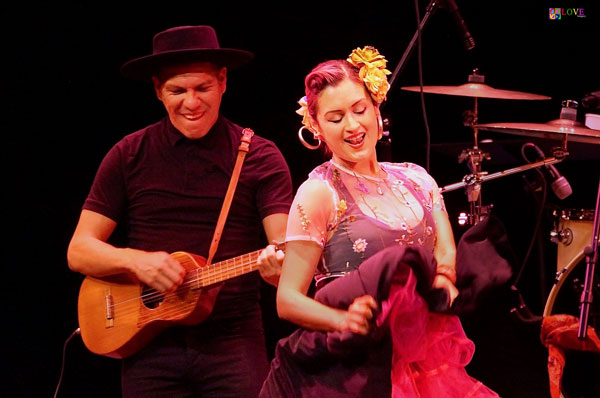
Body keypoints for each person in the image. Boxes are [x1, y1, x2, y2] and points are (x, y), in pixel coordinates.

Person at [259, 46, 500, 397]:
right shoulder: (319, 192)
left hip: (422, 354)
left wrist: (445, 281)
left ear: (376, 109)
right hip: (351, 364)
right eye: (336, 117)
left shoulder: (416, 179)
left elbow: (445, 250)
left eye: (360, 110)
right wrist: (343, 320)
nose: (353, 126)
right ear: (316, 127)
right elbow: (288, 300)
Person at [67, 25, 293, 398]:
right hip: (148, 342)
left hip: (232, 340)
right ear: (157, 89)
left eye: (202, 88)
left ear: (223, 81)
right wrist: (139, 263)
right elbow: (79, 251)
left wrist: (278, 271)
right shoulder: (128, 154)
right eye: (177, 90)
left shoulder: (260, 157)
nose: (191, 102)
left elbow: (285, 254)